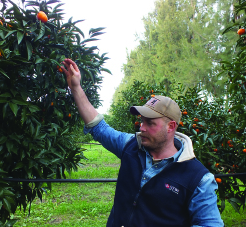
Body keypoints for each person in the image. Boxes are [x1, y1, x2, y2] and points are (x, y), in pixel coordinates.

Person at [61, 58, 224, 227]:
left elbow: (210, 224)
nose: (142, 128)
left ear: (171, 126)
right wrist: (75, 87)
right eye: (142, 121)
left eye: (150, 123)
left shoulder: (198, 178)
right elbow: (99, 128)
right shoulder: (131, 146)